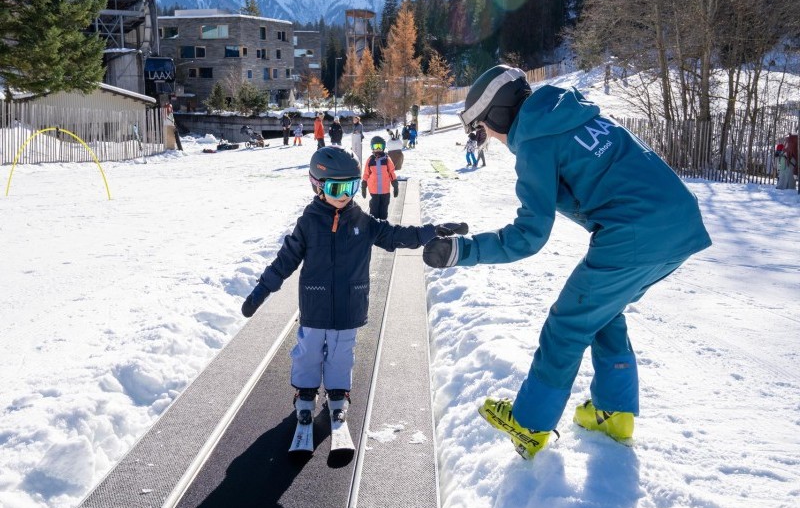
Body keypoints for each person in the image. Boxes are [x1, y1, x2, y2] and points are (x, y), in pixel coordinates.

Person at [422, 65, 712, 460]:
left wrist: (463, 250)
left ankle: (529, 424)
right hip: (680, 223)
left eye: (483, 127)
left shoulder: (536, 141)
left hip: (634, 232)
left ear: (497, 115)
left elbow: (529, 236)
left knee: (567, 325)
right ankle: (614, 412)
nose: (486, 136)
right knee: (602, 313)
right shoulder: (577, 113)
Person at [241, 147, 467, 432]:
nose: (345, 194)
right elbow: (284, 262)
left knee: (341, 353)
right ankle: (305, 392)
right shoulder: (308, 223)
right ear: (318, 186)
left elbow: (397, 235)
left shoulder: (363, 221)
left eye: (350, 186)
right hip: (315, 305)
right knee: (308, 352)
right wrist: (260, 291)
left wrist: (432, 231)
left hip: (350, 305)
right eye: (337, 187)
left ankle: (338, 393)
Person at [361, 136, 398, 220]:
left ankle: (383, 224)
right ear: (372, 147)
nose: (377, 148)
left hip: (385, 190)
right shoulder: (370, 160)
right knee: (374, 208)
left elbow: (391, 172)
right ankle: (373, 224)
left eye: (380, 146)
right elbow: (366, 174)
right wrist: (364, 184)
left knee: (384, 209)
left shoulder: (387, 159)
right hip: (374, 190)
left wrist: (395, 184)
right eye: (375, 146)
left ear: (383, 147)